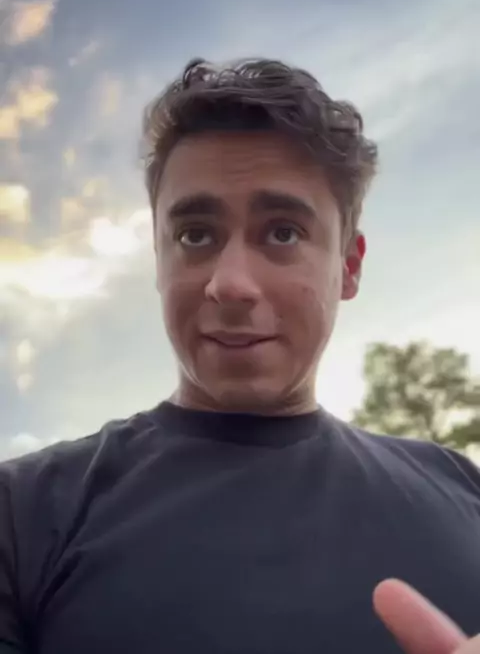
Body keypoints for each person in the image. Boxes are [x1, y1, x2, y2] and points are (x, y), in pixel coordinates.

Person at [0, 59, 478, 654]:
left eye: (282, 232)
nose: (230, 284)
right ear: (159, 261)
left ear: (349, 267)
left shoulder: (464, 489)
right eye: (195, 235)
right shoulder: (20, 513)